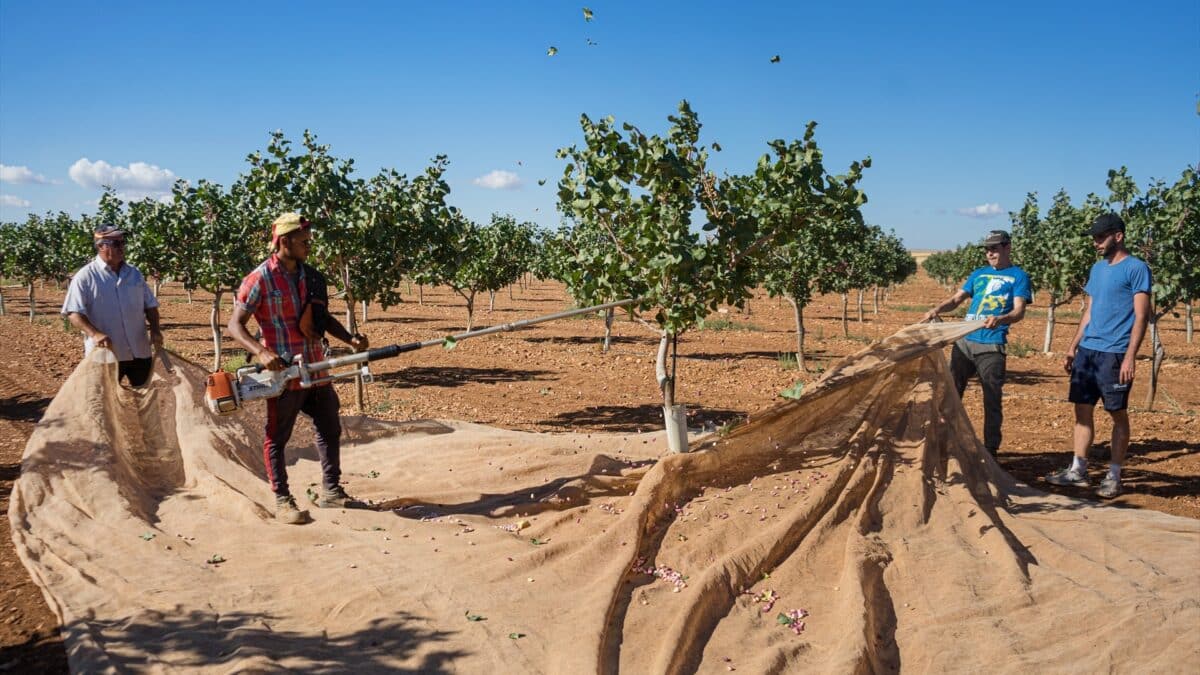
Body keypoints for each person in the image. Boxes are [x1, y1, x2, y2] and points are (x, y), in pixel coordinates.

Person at [227, 212, 370, 524]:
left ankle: (331, 491)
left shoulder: (312, 277)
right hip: (284, 375)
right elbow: (234, 326)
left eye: (309, 240)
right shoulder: (259, 279)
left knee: (330, 427)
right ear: (284, 241)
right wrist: (261, 352)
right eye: (304, 241)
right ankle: (283, 500)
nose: (309, 245)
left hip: (316, 367)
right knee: (277, 437)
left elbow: (322, 317)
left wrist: (350, 339)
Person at [1046, 213, 1150, 499]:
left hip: (1115, 353)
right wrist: (1073, 345)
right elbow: (1089, 311)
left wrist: (1130, 356)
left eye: (1100, 237)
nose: (1096, 243)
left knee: (1117, 414)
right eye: (1094, 238)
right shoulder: (1097, 269)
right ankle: (1078, 470)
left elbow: (1141, 316)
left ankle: (1114, 475)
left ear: (1118, 236)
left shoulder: (1136, 268)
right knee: (1081, 410)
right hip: (1088, 352)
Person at [923, 230, 1031, 456]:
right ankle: (943, 443)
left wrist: (1001, 319)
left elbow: (1019, 311)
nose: (990, 253)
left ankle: (990, 450)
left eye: (995, 248)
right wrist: (937, 309)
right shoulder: (979, 274)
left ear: (1007, 247)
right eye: (987, 249)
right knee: (951, 393)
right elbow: (956, 299)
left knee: (991, 397)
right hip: (964, 342)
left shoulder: (1018, 276)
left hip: (992, 345)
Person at [62, 223, 164, 386]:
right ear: (101, 246)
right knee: (105, 403)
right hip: (106, 355)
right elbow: (73, 312)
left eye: (123, 243)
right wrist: (94, 334)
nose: (122, 247)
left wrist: (156, 330)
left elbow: (150, 306)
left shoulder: (134, 274)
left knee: (145, 401)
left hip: (139, 351)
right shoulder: (85, 277)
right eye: (116, 244)